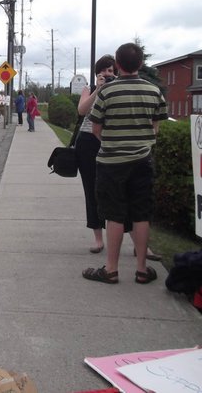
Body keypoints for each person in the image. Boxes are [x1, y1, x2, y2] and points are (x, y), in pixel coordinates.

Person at [82, 42, 167, 285]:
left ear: (117, 65)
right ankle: (142, 269)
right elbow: (156, 127)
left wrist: (111, 143)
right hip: (142, 161)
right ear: (140, 63)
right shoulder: (153, 91)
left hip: (111, 162)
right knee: (141, 213)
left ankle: (111, 269)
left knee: (114, 215)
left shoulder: (107, 92)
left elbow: (96, 128)